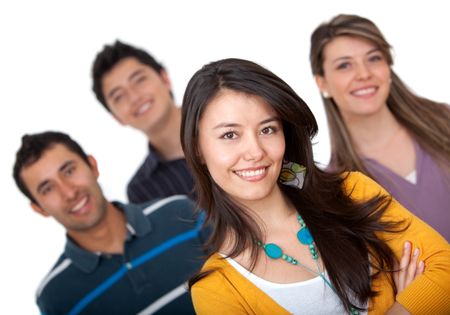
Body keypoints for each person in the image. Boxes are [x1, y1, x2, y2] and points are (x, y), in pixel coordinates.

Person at [179, 58, 450, 314]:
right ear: (197, 148)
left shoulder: (353, 192)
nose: (255, 151)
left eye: (267, 129)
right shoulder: (216, 290)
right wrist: (411, 304)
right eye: (230, 135)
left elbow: (446, 270)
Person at [13, 131, 206, 315]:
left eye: (69, 171)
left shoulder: (182, 213)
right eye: (48, 189)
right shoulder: (54, 297)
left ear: (92, 165)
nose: (69, 193)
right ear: (39, 208)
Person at [310, 14, 450, 241]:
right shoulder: (336, 189)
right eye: (344, 65)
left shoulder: (445, 121)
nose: (364, 74)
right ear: (322, 83)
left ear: (388, 66)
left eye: (374, 58)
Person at [91, 41, 194, 203]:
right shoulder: (142, 191)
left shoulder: (228, 117)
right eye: (119, 96)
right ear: (117, 118)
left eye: (139, 80)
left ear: (165, 78)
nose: (134, 97)